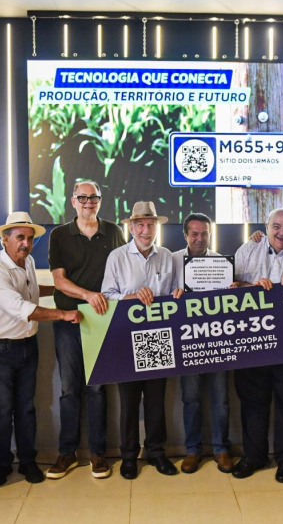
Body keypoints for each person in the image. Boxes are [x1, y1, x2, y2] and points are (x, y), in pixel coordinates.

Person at [0, 212, 83, 487]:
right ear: (5, 240)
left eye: (29, 238)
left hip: (27, 347)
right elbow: (20, 307)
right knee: (2, 411)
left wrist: (66, 292)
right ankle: (2, 465)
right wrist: (62, 314)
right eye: (19, 237)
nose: (25, 243)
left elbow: (33, 294)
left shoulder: (29, 262)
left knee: (26, 409)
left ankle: (27, 462)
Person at [230, 207, 283, 484]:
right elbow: (229, 288)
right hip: (252, 342)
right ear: (266, 227)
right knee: (253, 403)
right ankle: (254, 456)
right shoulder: (247, 251)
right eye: (276, 226)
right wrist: (251, 286)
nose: (282, 232)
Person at [47, 181, 125, 480]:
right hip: (69, 319)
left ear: (100, 201)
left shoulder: (114, 231)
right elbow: (59, 281)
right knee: (69, 390)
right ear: (73, 201)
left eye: (93, 198)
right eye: (83, 197)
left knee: (97, 389)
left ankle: (98, 453)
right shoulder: (59, 235)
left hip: (104, 321)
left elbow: (122, 271)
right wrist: (88, 296)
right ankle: (66, 453)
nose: (88, 202)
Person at [102, 201, 183, 480]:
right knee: (129, 401)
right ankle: (128, 456)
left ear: (156, 227)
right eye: (140, 224)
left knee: (156, 401)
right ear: (131, 227)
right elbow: (107, 295)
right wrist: (132, 297)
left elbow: (174, 291)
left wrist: (178, 293)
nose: (145, 230)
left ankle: (157, 453)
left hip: (158, 336)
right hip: (126, 336)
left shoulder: (168, 257)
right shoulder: (117, 257)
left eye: (150, 224)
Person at [171, 212, 233, 474]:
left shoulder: (222, 263)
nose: (199, 238)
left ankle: (221, 449)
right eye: (194, 233)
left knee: (221, 399)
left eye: (204, 233)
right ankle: (192, 450)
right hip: (186, 341)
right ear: (185, 235)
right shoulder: (172, 260)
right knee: (191, 398)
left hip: (216, 339)